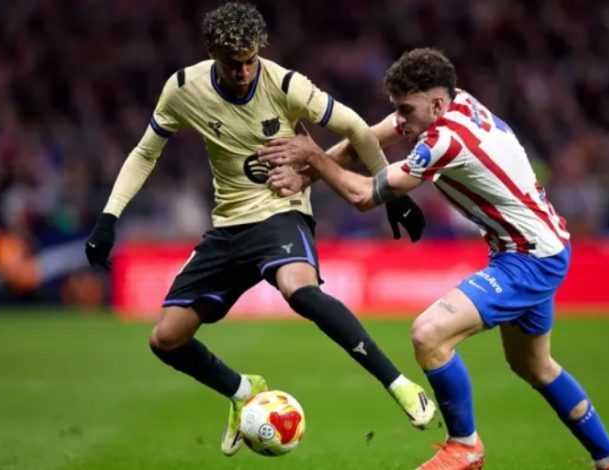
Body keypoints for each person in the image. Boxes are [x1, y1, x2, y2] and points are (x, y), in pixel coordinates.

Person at [258, 48, 609, 470]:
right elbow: (368, 138)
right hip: (540, 246)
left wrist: (312, 157)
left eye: (406, 110)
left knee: (430, 334)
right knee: (535, 366)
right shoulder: (454, 104)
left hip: (528, 259)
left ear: (436, 104)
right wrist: (308, 173)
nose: (401, 121)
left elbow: (363, 195)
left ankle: (464, 445)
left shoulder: (446, 141)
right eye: (397, 109)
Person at [84, 3, 435, 457]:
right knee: (165, 339)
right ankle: (241, 391)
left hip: (280, 210)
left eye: (251, 60)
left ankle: (398, 384)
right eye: (234, 63)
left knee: (300, 292)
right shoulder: (183, 88)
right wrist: (110, 216)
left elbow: (354, 127)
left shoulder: (285, 84)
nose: (244, 71)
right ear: (212, 53)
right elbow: (145, 152)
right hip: (228, 226)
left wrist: (392, 192)